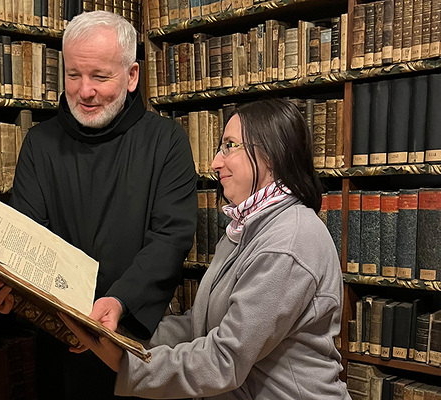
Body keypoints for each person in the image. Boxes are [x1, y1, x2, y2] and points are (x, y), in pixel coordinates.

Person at [0, 10, 198, 400]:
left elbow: (171, 238)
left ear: (132, 76)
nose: (84, 90)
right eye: (74, 75)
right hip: (57, 345)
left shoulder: (166, 141)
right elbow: (23, 241)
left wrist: (120, 303)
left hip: (133, 342)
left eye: (100, 77)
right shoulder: (40, 143)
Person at [62, 98, 351, 400]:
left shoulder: (287, 242)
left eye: (229, 145)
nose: (215, 162)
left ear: (272, 154)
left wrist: (128, 364)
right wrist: (119, 336)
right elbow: (200, 326)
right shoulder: (247, 227)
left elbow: (225, 359)